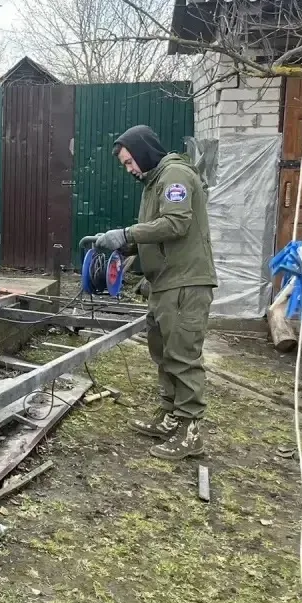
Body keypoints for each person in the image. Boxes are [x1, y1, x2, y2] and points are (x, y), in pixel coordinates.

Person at [93, 125, 216, 460]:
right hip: (165, 283)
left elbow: (176, 224)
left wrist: (126, 234)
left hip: (185, 283)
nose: (129, 169)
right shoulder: (153, 183)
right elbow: (156, 237)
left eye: (129, 161)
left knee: (183, 354)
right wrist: (125, 253)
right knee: (163, 352)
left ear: (143, 151)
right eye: (125, 164)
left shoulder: (175, 175)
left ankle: (190, 431)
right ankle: (170, 415)